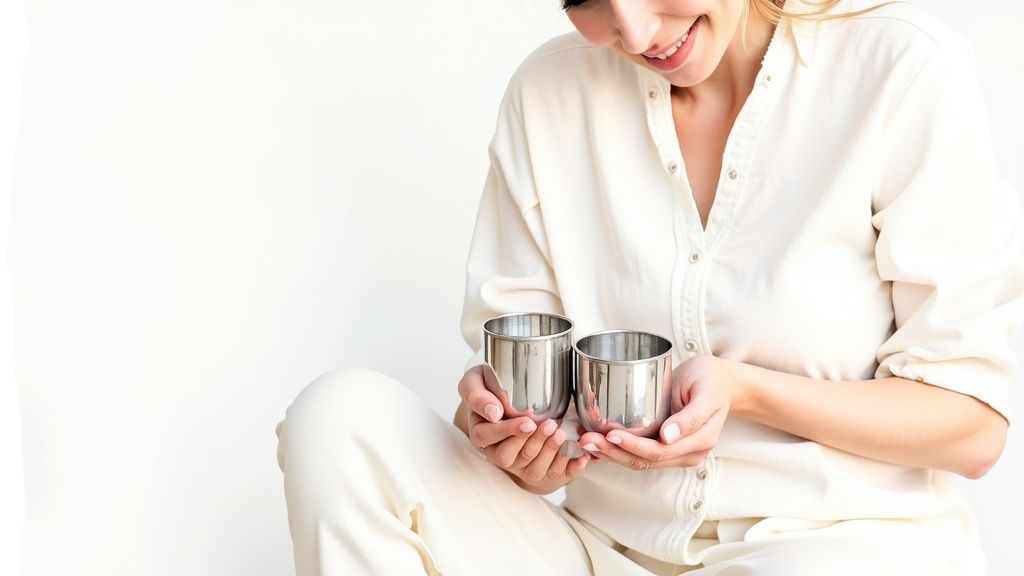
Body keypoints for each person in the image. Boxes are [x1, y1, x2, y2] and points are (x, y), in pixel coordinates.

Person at [275, 0, 1024, 574]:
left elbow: (973, 426)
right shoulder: (550, 94)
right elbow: (526, 389)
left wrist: (746, 390)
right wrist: (507, 444)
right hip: (606, 550)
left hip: (831, 550)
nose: (633, 33)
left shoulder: (900, 74)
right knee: (339, 423)